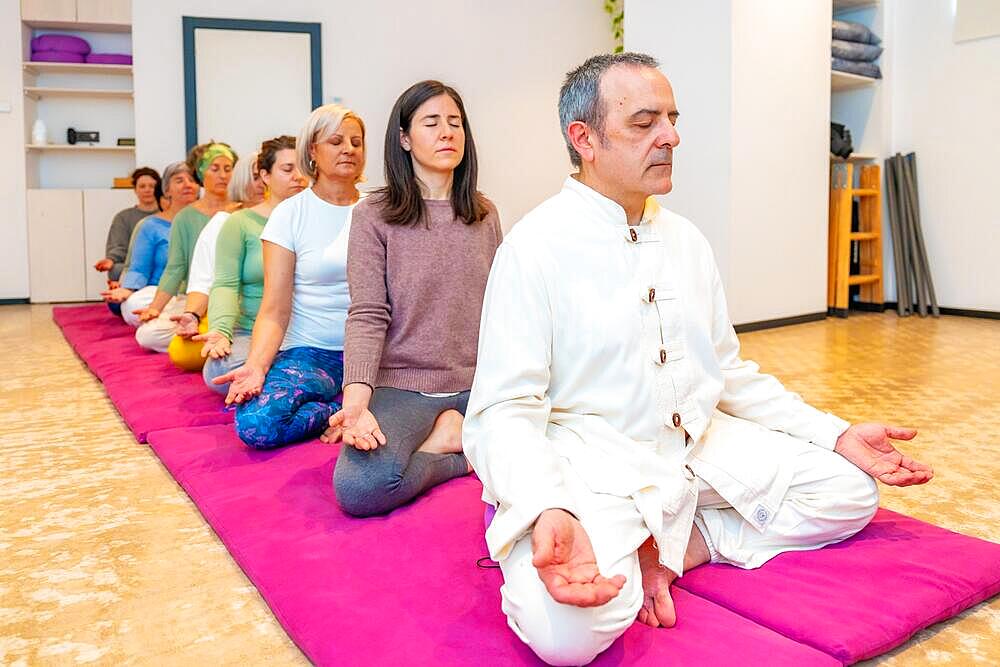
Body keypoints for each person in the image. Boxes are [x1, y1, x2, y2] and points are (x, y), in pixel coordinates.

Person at [462, 53, 934, 666]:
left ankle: (684, 544)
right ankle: (621, 541)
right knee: (565, 637)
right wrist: (546, 503)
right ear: (584, 140)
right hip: (590, 464)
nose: (672, 136)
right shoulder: (534, 248)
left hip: (692, 449)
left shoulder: (685, 239)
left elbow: (728, 371)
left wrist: (836, 433)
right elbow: (503, 410)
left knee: (850, 491)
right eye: (644, 122)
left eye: (672, 118)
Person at [322, 81, 502, 517]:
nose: (447, 133)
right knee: (360, 489)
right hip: (406, 386)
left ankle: (460, 436)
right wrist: (356, 402)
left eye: (455, 123)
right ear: (404, 138)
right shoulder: (373, 214)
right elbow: (367, 313)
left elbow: (505, 308)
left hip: (482, 386)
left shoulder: (484, 213)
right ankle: (454, 451)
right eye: (432, 122)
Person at [214, 105, 364, 448]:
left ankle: (356, 405)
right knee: (256, 425)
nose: (349, 149)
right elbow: (274, 309)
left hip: (374, 356)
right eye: (337, 141)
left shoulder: (380, 209)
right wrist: (255, 365)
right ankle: (337, 410)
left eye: (357, 142)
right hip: (311, 354)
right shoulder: (289, 214)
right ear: (312, 150)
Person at [198, 136, 307, 393]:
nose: (298, 176)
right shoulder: (240, 223)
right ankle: (300, 380)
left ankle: (289, 379)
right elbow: (225, 284)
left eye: (304, 167)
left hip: (307, 335)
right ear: (265, 175)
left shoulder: (315, 218)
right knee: (220, 370)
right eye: (288, 169)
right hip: (253, 334)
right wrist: (221, 330)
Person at [133, 141, 236, 353]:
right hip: (194, 299)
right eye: (214, 169)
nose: (223, 176)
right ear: (200, 174)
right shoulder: (185, 217)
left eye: (228, 169)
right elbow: (175, 268)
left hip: (233, 298)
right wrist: (155, 308)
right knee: (147, 334)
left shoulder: (242, 209)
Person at [166, 153, 265, 371]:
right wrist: (192, 315)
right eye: (256, 177)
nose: (263, 183)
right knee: (183, 353)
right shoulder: (224, 222)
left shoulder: (290, 217)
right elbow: (204, 281)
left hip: (281, 321)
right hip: (232, 316)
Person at [101, 162, 199, 325]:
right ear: (166, 189)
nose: (187, 185)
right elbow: (139, 267)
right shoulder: (151, 225)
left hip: (196, 293)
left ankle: (175, 320)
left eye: (192, 180)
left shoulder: (210, 220)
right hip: (157, 291)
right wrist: (128, 289)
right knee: (133, 306)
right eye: (179, 180)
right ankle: (180, 320)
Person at [96, 166, 162, 315]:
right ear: (135, 189)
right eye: (142, 186)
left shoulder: (168, 216)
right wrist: (111, 260)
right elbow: (118, 248)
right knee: (116, 297)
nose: (147, 190)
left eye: (152, 186)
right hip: (134, 270)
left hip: (160, 271)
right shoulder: (123, 218)